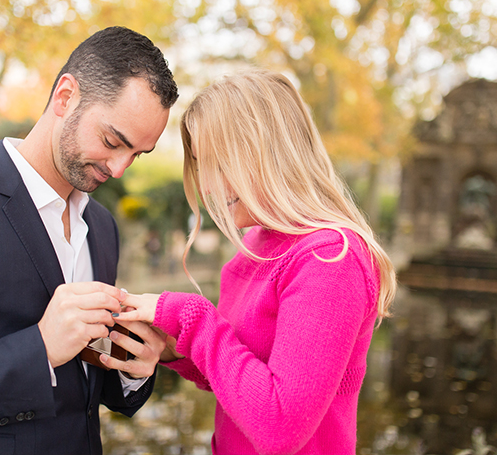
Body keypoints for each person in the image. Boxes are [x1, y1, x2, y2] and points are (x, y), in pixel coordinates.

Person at [0, 26, 178, 455]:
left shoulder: (102, 227)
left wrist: (133, 368)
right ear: (65, 97)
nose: (120, 169)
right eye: (112, 141)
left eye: (138, 154)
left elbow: (79, 390)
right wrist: (38, 350)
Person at [111, 69, 397, 454]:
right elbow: (243, 380)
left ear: (268, 152)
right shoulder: (256, 245)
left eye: (218, 163)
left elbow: (280, 425)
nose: (207, 185)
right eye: (201, 165)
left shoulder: (329, 258)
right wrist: (175, 348)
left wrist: (191, 316)